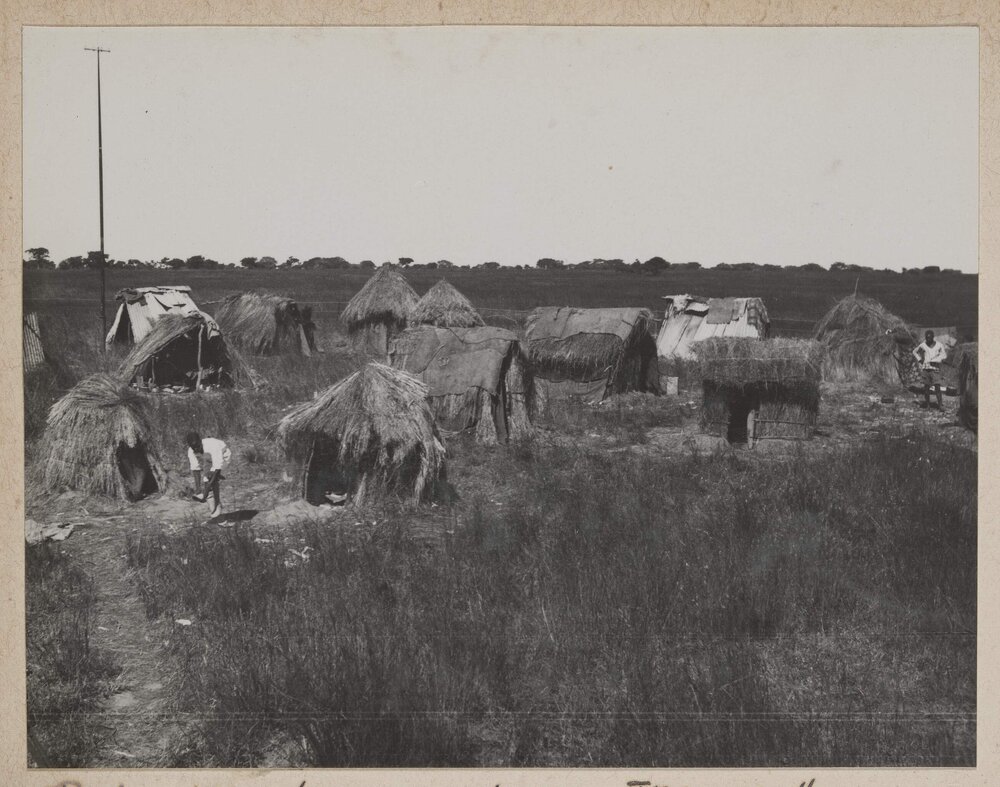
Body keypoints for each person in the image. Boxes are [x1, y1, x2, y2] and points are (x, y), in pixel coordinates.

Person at [185, 431, 231, 520]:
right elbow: (195, 469)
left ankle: (217, 504)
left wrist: (205, 492)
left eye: (198, 446)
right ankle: (214, 509)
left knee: (210, 479)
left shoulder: (212, 446)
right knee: (207, 479)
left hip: (224, 456)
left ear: (200, 441)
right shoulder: (191, 450)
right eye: (194, 447)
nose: (196, 449)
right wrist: (198, 490)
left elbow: (217, 468)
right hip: (208, 459)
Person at [912, 329, 948, 410]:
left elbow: (944, 355)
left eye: (929, 337)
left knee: (937, 388)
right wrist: (919, 359)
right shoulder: (923, 345)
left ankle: (940, 405)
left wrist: (937, 360)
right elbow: (914, 352)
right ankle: (928, 405)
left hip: (935, 369)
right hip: (925, 369)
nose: (928, 339)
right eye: (926, 338)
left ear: (933, 337)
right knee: (926, 388)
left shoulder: (939, 345)